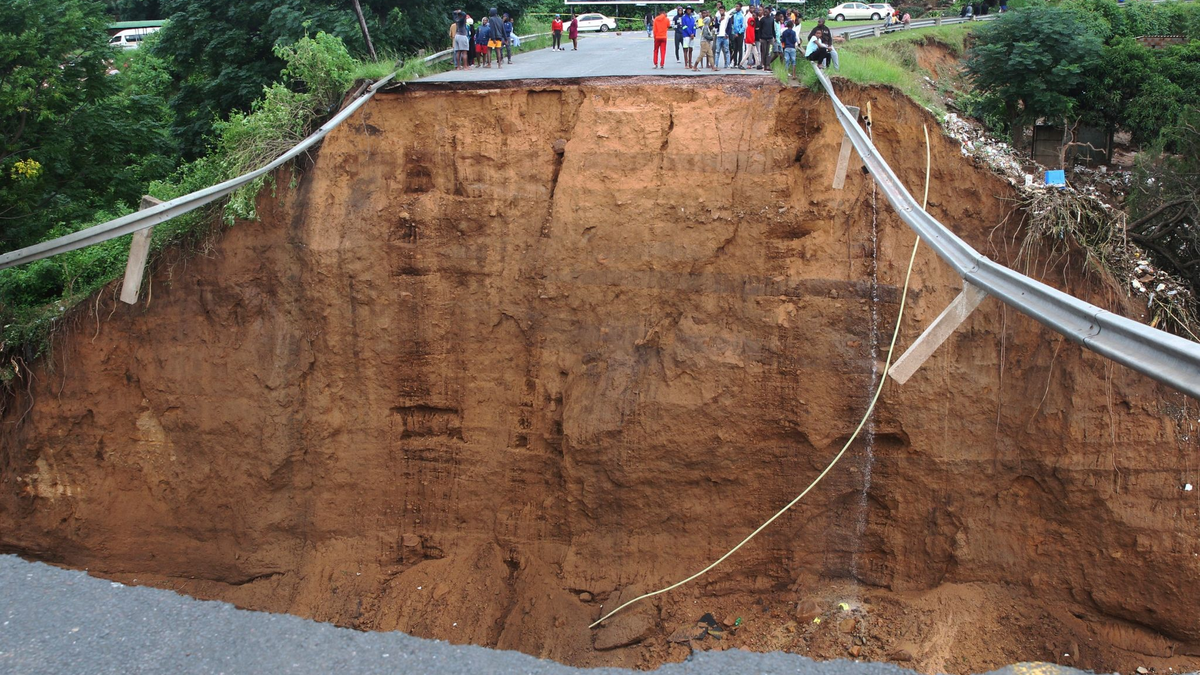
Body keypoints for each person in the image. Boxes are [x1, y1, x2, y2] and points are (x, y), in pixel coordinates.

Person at [730, 3, 746, 68]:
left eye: (737, 6)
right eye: (736, 6)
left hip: (740, 34)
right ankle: (735, 63)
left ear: (740, 7)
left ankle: (740, 62)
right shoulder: (735, 15)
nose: (736, 7)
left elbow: (743, 26)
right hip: (735, 33)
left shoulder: (742, 16)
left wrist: (739, 33)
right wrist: (734, 32)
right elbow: (733, 25)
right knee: (735, 48)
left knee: (740, 48)